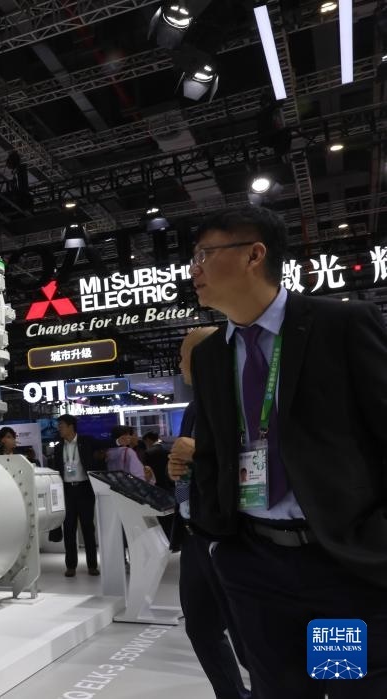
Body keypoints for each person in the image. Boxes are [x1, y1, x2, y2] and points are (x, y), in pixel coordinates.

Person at [182, 205, 386, 698]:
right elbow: (213, 453)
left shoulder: (340, 325)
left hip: (337, 564)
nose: (194, 269)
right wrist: (219, 540)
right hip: (253, 566)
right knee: (275, 690)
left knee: (343, 685)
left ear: (254, 255)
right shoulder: (211, 355)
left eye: (205, 254)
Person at [168, 325, 252, 699]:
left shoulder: (243, 400)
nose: (179, 363)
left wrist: (199, 452)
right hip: (194, 533)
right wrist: (178, 467)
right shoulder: (192, 407)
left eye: (184, 355)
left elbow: (257, 459)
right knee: (201, 628)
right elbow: (195, 461)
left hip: (232, 534)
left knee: (251, 637)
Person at [50, 415, 100, 577]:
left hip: (85, 489)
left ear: (71, 426)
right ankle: (70, 566)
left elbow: (104, 445)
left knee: (88, 528)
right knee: (69, 528)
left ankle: (92, 565)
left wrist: (119, 441)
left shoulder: (86, 442)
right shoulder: (59, 447)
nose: (59, 429)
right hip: (67, 491)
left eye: (61, 426)